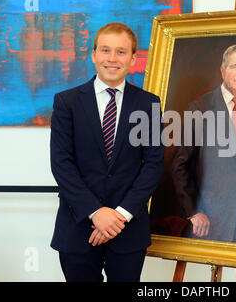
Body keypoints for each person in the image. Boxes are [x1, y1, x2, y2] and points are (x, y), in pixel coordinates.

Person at [50, 22, 164, 282]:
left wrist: (119, 216)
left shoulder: (148, 104)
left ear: (134, 58)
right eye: (105, 50)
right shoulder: (67, 102)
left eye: (121, 52)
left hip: (128, 230)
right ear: (93, 55)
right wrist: (96, 212)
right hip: (78, 228)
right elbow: (61, 164)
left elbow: (153, 164)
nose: (112, 59)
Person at [171, 43, 236, 244]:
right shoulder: (199, 107)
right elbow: (180, 165)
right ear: (223, 70)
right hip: (209, 218)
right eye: (234, 66)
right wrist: (195, 212)